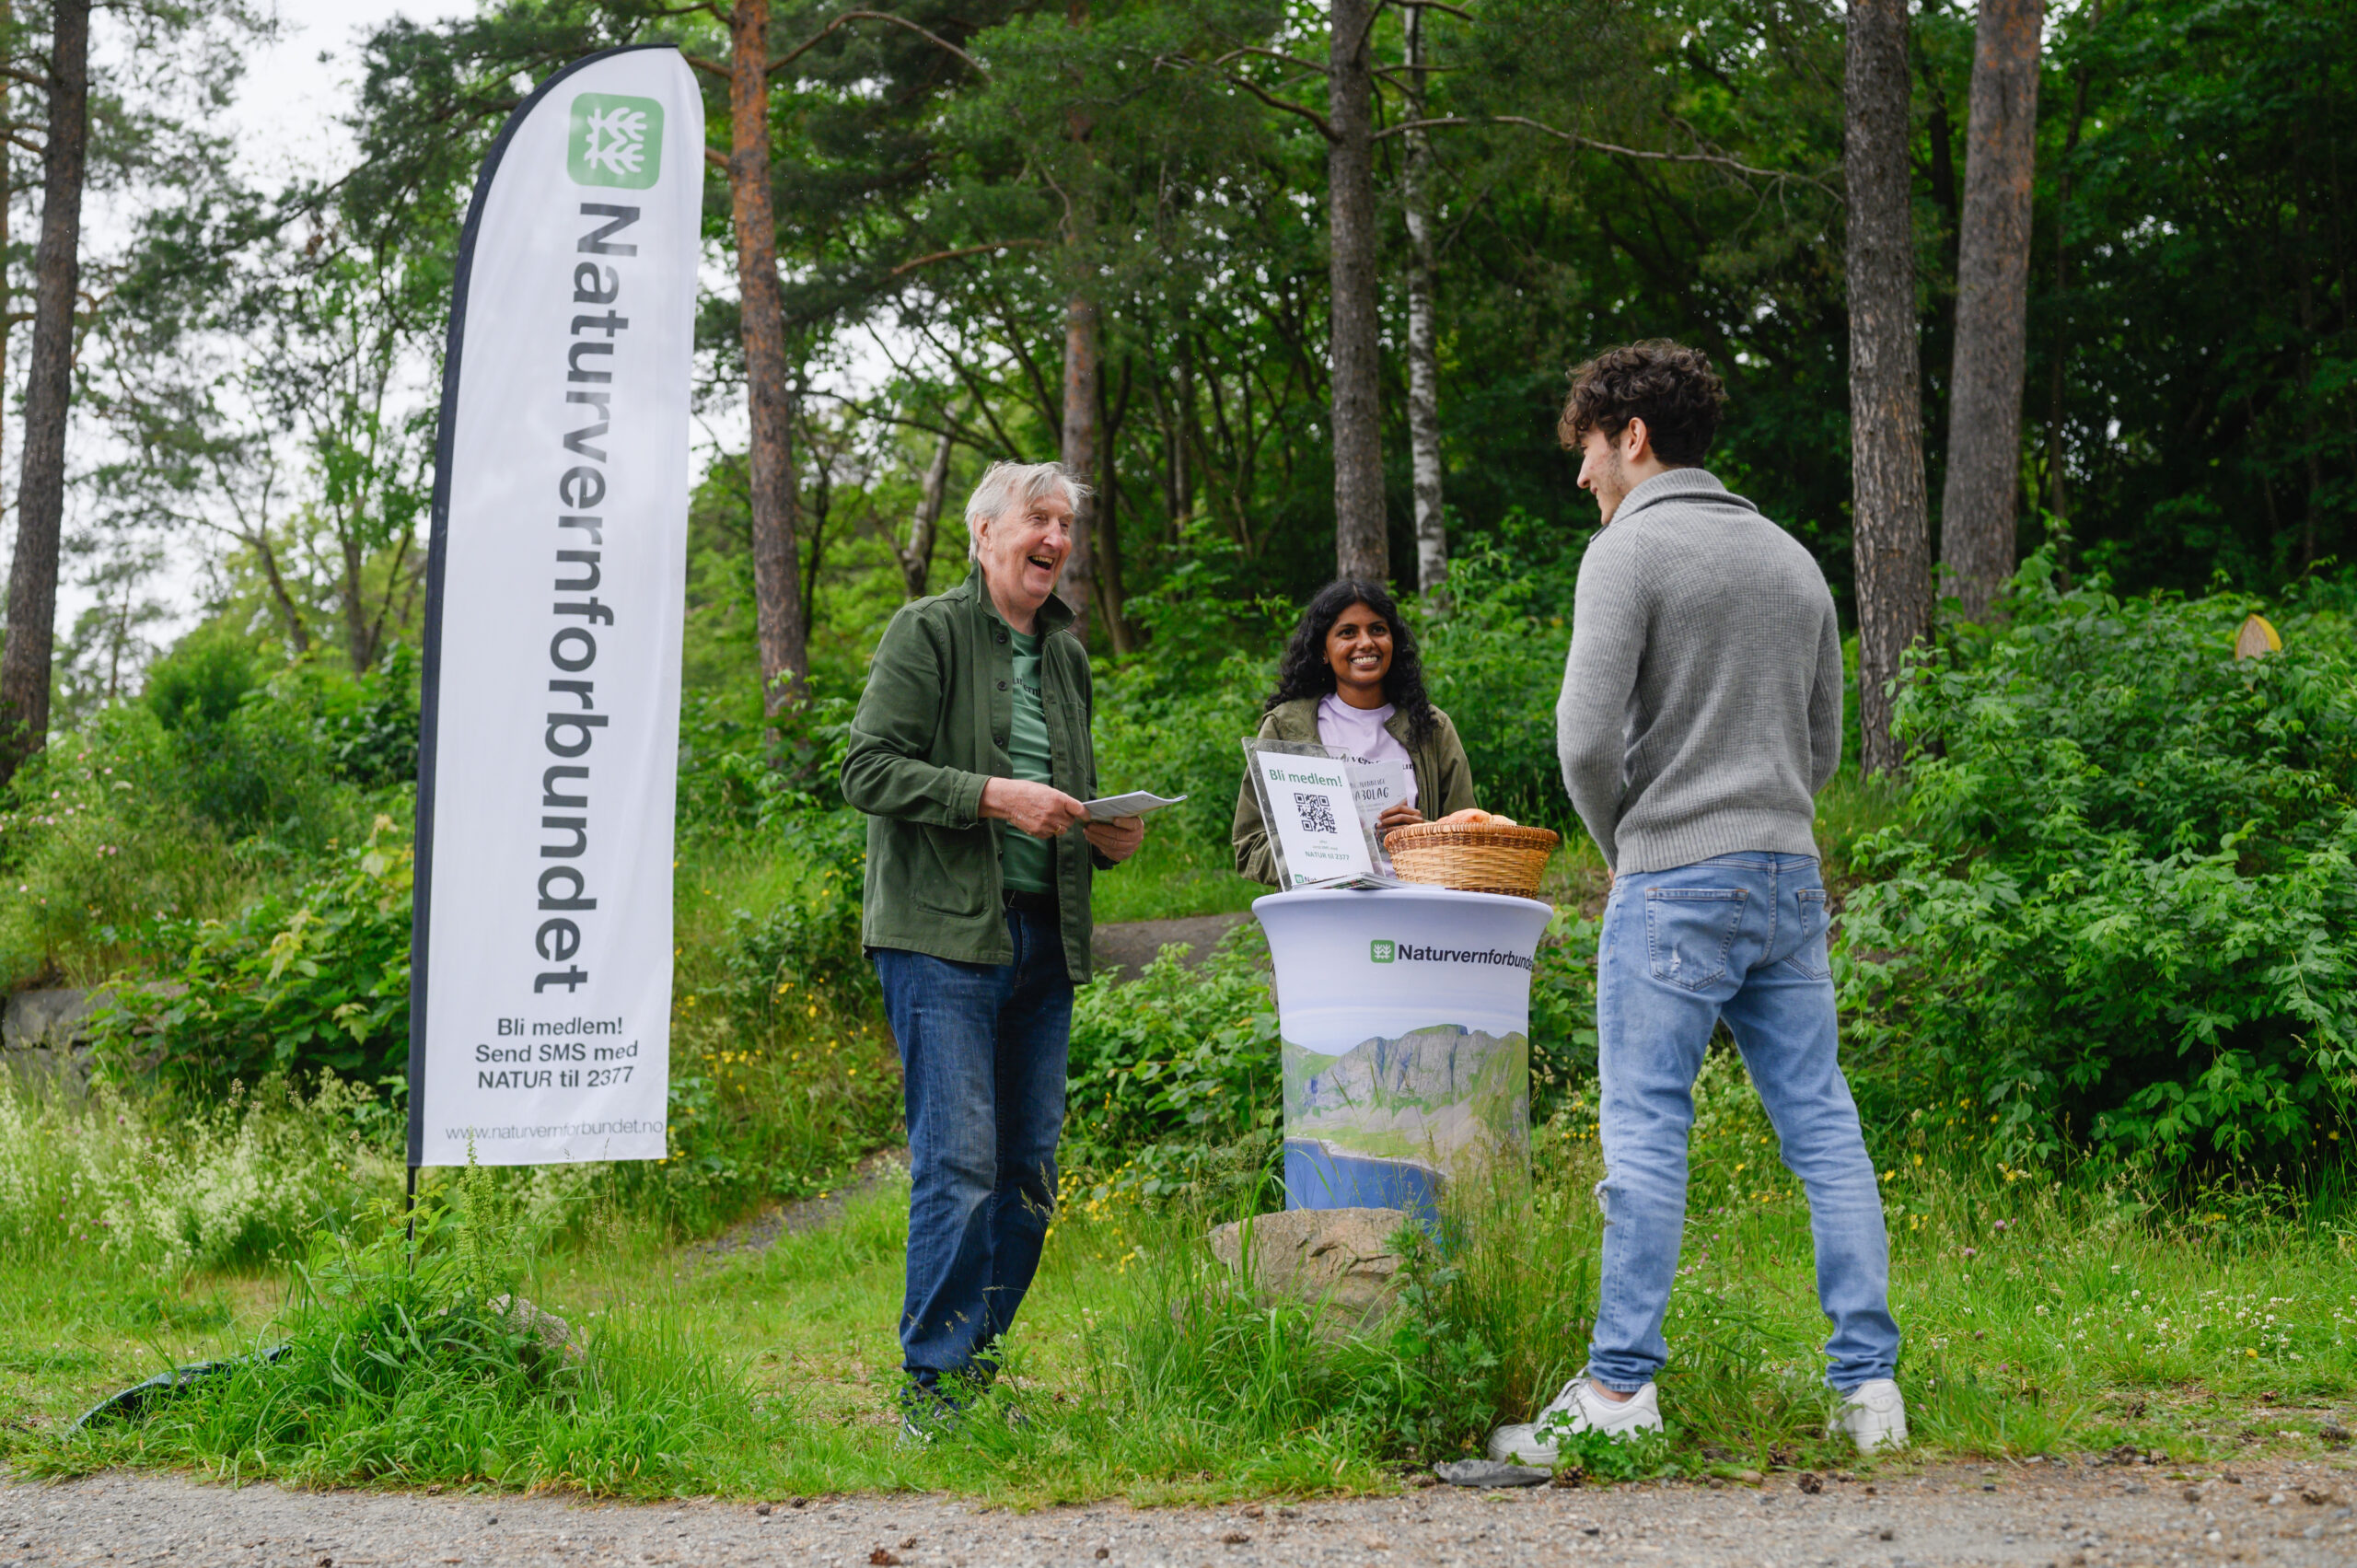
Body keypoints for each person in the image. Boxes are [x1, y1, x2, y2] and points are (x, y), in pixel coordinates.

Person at [1488, 341, 1905, 1463]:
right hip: (1787, 871)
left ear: (1631, 436)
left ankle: (1620, 1389)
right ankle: (1869, 1390)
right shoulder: (1791, 559)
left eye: (1586, 449)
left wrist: (1625, 837)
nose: (1580, 476)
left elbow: (1581, 739)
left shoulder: (1629, 551)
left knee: (1644, 1128)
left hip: (1672, 873)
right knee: (1823, 1125)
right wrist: (1764, 819)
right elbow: (1823, 747)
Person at [840, 459, 1146, 1431]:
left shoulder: (1066, 656)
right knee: (960, 1165)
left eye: (1065, 523)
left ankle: (972, 1374)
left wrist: (1105, 832)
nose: (1053, 539)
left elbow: (1064, 798)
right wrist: (989, 793)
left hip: (1042, 940)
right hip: (939, 939)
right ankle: (930, 1388)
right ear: (983, 533)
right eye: (1036, 519)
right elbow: (867, 769)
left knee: (1025, 1174)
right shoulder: (925, 632)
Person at [1231, 579, 1478, 885]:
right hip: (1326, 915)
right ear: (1323, 650)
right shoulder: (1285, 728)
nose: (1366, 643)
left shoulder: (1432, 727)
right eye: (1348, 632)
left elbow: (1474, 841)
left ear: (1393, 642)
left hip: (1418, 910)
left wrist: (1423, 836)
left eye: (1378, 629)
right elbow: (1250, 845)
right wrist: (1323, 854)